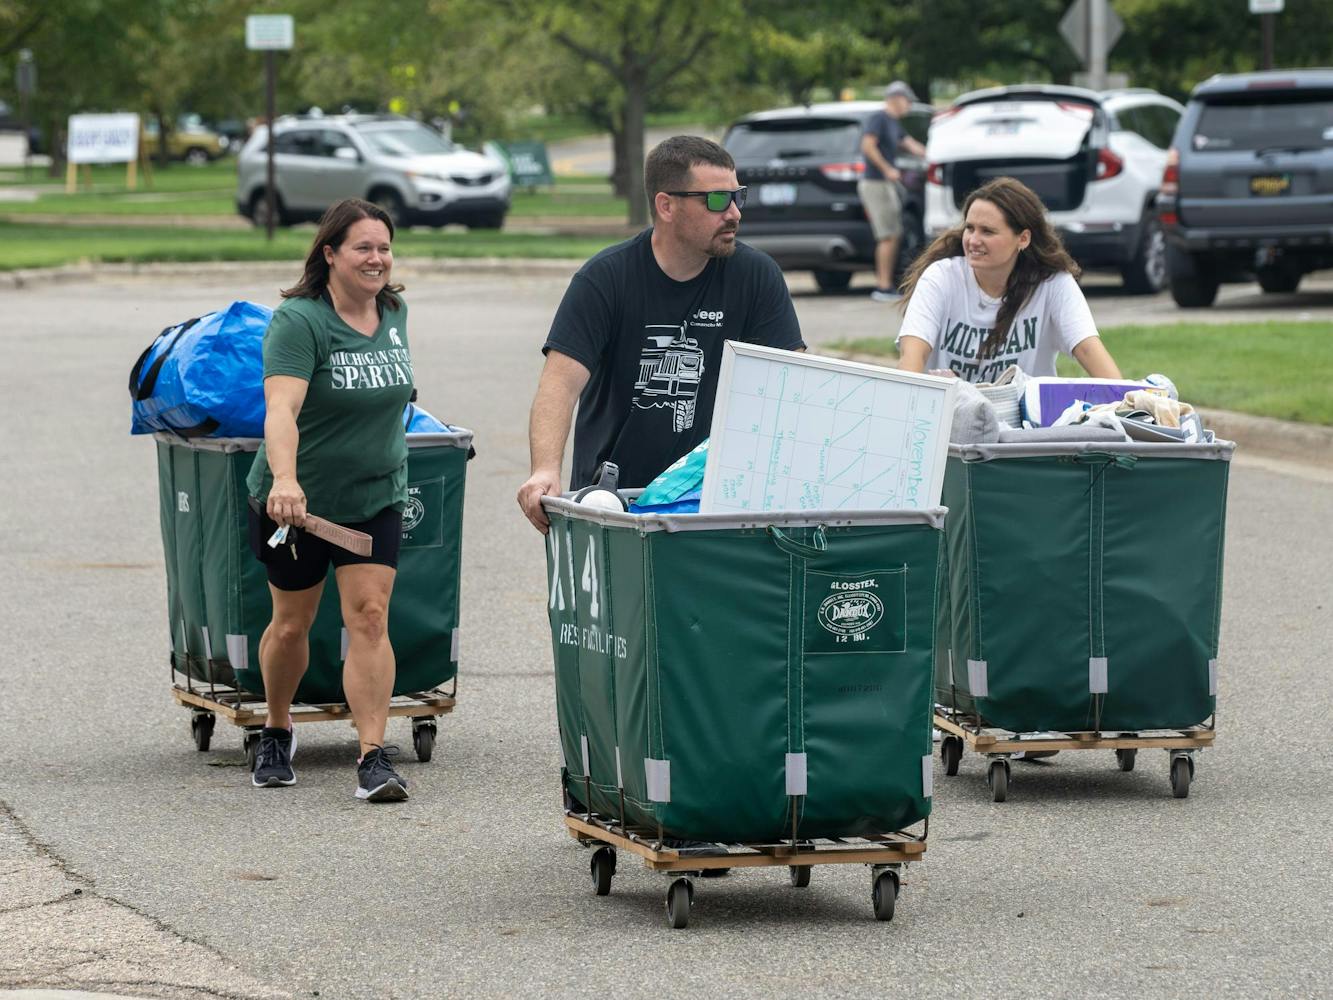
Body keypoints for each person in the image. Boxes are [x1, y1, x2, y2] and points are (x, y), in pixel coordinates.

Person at [516, 135, 806, 533]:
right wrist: (545, 468)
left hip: (714, 499)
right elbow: (559, 384)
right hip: (616, 501)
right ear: (666, 205)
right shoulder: (606, 278)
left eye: (737, 197)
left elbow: (793, 384)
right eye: (717, 200)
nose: (735, 213)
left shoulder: (756, 276)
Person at [244, 198, 416, 803]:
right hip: (297, 506)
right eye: (363, 248)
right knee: (292, 625)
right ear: (330, 254)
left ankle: (372, 755)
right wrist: (284, 482)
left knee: (369, 617)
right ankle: (275, 726)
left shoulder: (393, 311)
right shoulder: (300, 321)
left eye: (384, 247)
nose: (377, 258)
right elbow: (282, 409)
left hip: (374, 497)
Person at [896, 176, 1123, 383]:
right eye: (970, 228)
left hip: (1028, 424)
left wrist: (1128, 409)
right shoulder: (941, 277)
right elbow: (912, 355)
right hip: (954, 418)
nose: (973, 240)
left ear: (1023, 239)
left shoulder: (1054, 283)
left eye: (987, 231)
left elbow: (1089, 351)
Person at [860, 81, 928, 302]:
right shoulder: (878, 119)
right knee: (887, 235)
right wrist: (887, 169)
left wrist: (934, 154)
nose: (908, 106)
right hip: (875, 182)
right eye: (907, 101)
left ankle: (886, 283)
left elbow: (911, 145)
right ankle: (882, 285)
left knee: (894, 232)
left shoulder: (893, 123)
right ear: (897, 98)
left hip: (885, 184)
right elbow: (868, 146)